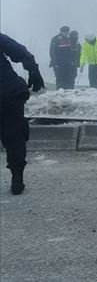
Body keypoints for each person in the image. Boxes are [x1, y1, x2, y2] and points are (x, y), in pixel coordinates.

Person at [1, 33, 45, 195]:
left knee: (14, 134)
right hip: (9, 93)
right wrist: (33, 71)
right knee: (14, 136)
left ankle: (17, 178)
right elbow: (21, 52)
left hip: (7, 92)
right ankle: (17, 178)